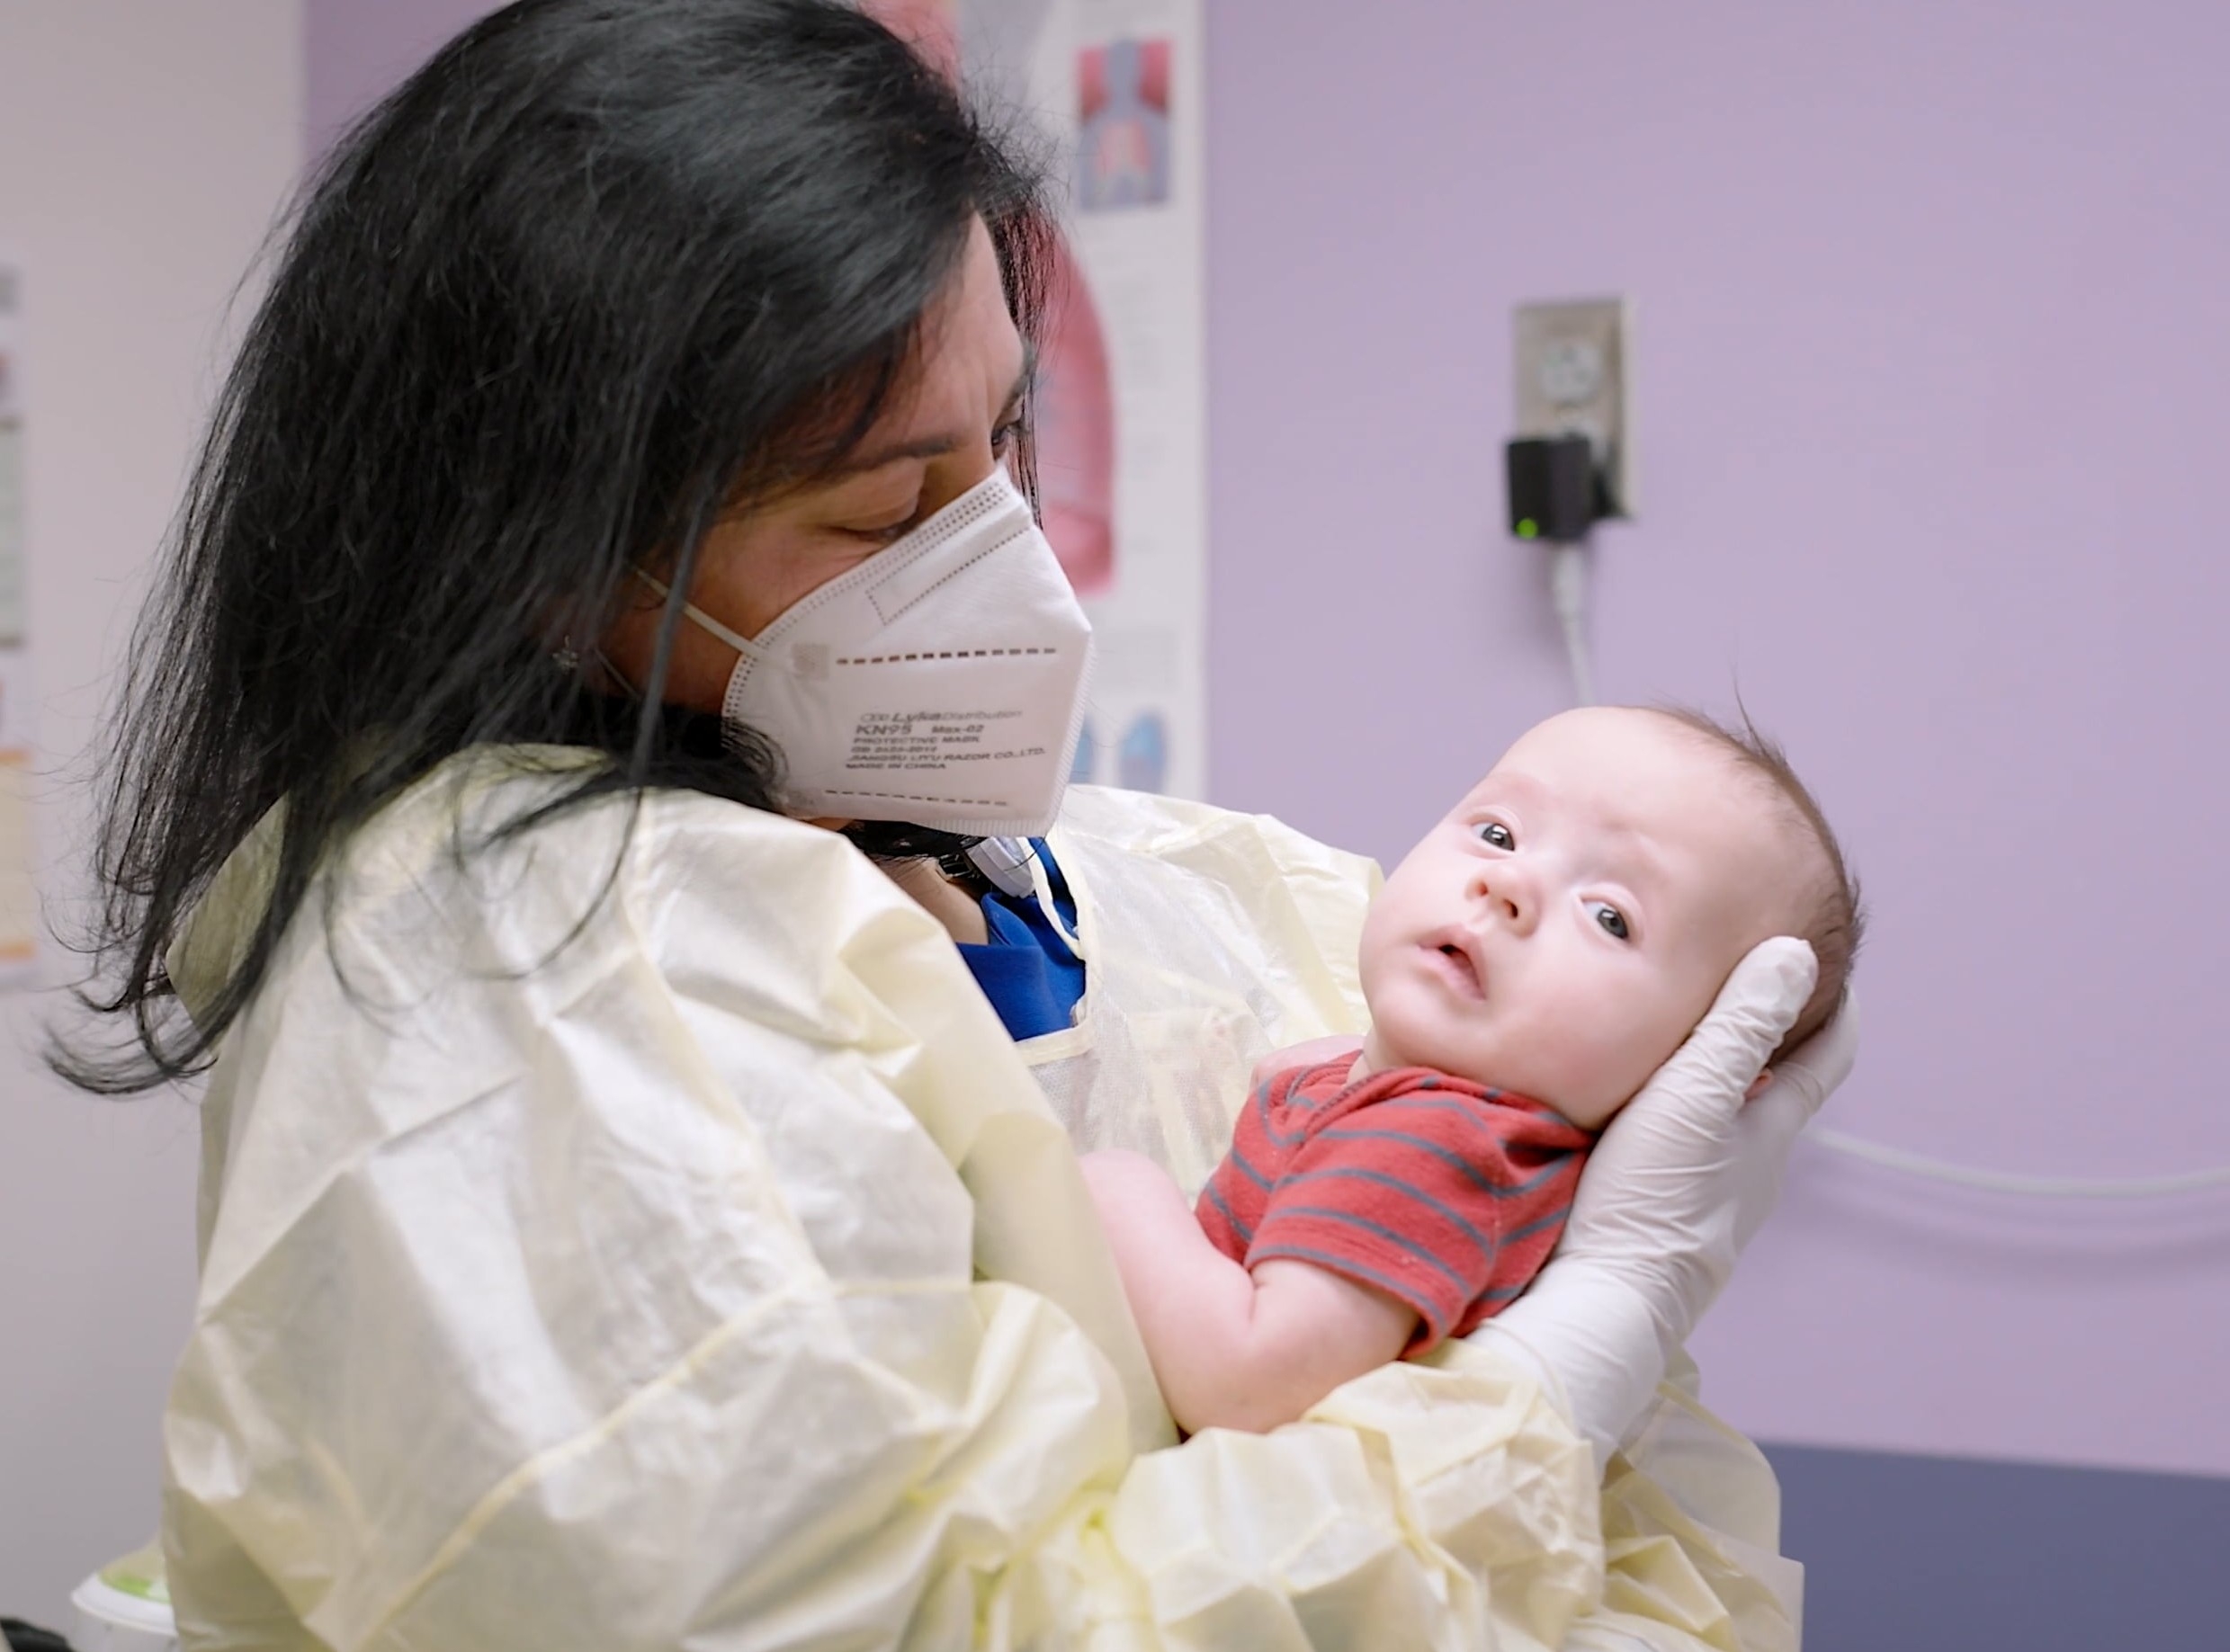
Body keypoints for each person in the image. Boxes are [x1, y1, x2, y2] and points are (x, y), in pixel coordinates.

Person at [60, 3, 1858, 1648]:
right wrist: (1556, 1373)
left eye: (1005, 443)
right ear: (541, 547)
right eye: (878, 512)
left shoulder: (1050, 867)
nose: (1000, 554)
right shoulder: (533, 977)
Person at [1080, 705, 1862, 1436]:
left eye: (1610, 916)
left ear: (1704, 1057)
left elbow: (1246, 1384)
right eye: (1497, 832)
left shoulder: (1432, 1146)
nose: (1509, 884)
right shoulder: (1398, 1102)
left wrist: (1123, 1192)